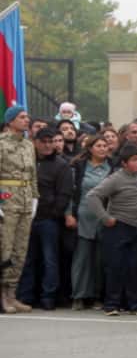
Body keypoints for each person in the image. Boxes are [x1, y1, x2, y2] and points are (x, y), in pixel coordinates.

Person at [87, 143, 137, 316]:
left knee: (135, 266)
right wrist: (105, 218)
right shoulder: (115, 179)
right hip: (119, 227)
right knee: (116, 266)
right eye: (134, 160)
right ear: (124, 163)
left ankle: (136, 304)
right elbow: (92, 196)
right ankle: (112, 304)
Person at [18, 126, 73, 310]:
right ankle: (25, 296)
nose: (48, 145)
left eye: (51, 142)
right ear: (35, 142)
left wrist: (54, 213)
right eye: (44, 142)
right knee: (27, 259)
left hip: (48, 220)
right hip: (26, 218)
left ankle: (48, 297)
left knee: (50, 260)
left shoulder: (61, 165)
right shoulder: (27, 162)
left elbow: (65, 193)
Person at [67, 135, 114, 310]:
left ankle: (97, 296)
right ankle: (78, 296)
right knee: (82, 259)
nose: (102, 149)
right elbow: (70, 192)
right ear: (90, 148)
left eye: (105, 146)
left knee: (101, 260)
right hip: (83, 217)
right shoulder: (79, 167)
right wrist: (68, 214)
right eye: (98, 145)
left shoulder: (113, 167)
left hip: (105, 218)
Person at [0, 106, 38, 313]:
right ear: (10, 121)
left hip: (25, 200)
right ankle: (2, 296)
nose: (27, 120)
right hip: (7, 200)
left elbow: (32, 176)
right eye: (22, 117)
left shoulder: (28, 145)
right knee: (5, 249)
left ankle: (12, 294)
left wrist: (35, 199)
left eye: (27, 117)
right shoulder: (1, 143)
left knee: (20, 250)